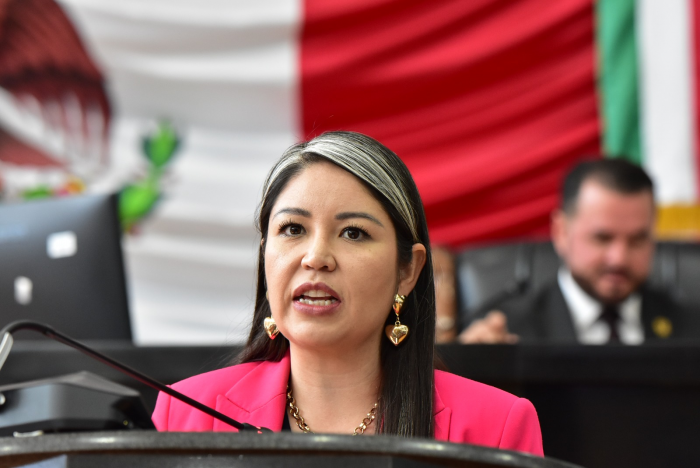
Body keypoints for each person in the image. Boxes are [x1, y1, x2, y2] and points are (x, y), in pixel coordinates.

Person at [152, 131, 543, 455]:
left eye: (353, 233)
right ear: (265, 255)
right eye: (293, 229)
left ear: (407, 270)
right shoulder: (186, 412)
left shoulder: (496, 427)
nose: (316, 258)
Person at [460, 158, 700, 345]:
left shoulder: (691, 328)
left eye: (637, 240)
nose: (619, 259)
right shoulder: (507, 333)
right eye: (602, 238)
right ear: (561, 232)